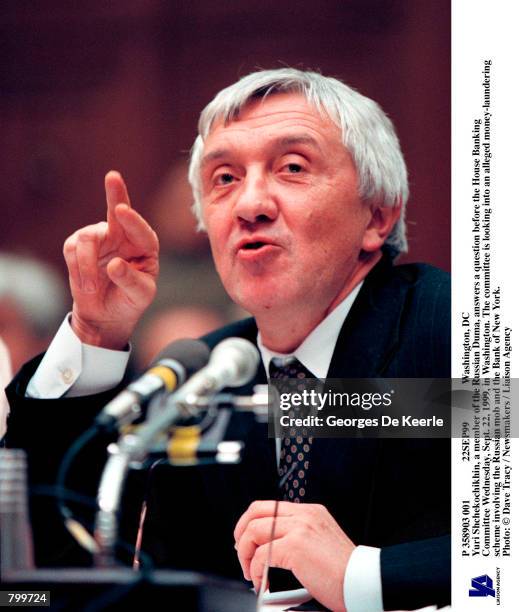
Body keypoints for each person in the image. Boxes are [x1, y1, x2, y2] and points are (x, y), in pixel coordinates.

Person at [6, 68, 450, 611]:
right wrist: (97, 335)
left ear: (377, 217)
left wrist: (364, 575)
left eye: (292, 167)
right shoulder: (208, 371)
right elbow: (46, 566)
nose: (250, 204)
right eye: (224, 178)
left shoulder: (456, 329)